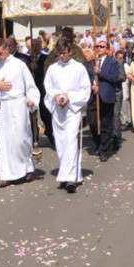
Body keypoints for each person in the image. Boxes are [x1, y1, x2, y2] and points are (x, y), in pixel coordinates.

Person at [0, 37, 40, 188]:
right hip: (4, 106)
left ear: (7, 49)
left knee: (21, 138)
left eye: (0, 53)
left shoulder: (19, 65)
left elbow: (30, 84)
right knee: (6, 140)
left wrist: (31, 99)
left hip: (19, 104)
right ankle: (7, 174)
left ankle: (27, 168)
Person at [44, 38, 92, 193]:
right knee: (61, 142)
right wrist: (56, 97)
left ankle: (71, 178)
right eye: (59, 54)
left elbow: (85, 90)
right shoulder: (52, 69)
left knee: (71, 141)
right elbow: (48, 88)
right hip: (58, 110)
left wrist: (69, 97)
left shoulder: (79, 68)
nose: (62, 56)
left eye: (64, 53)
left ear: (70, 51)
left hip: (72, 110)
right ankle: (65, 175)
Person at [86, 38, 119, 161]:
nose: (99, 48)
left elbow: (114, 78)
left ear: (107, 49)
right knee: (92, 122)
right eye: (97, 46)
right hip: (93, 96)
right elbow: (86, 77)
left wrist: (100, 72)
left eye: (102, 46)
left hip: (106, 96)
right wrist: (92, 85)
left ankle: (104, 149)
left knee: (106, 124)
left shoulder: (113, 62)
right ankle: (98, 142)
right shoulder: (90, 63)